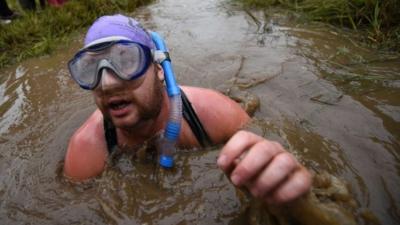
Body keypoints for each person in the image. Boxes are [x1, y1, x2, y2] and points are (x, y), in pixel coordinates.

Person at [64, 14, 311, 205]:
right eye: (90, 68)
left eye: (128, 60)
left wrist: (282, 183)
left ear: (159, 70)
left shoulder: (214, 114)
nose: (107, 83)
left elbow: (275, 158)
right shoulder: (85, 151)